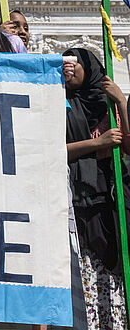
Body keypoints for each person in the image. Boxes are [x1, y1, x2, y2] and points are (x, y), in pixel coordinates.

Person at [65, 47, 130, 330]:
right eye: (62, 63)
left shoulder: (108, 103)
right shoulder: (60, 104)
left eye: (73, 62)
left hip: (112, 197)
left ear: (89, 67)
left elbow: (126, 146)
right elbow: (52, 150)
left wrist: (122, 103)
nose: (67, 68)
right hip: (79, 200)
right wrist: (96, 144)